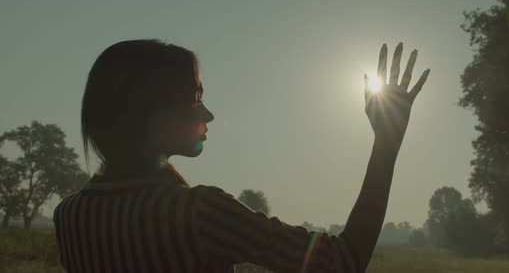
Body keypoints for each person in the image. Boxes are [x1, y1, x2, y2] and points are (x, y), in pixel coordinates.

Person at [53, 39, 429, 273]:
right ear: (150, 112)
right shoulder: (202, 213)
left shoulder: (69, 214)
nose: (208, 115)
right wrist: (386, 142)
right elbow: (344, 261)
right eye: (195, 99)